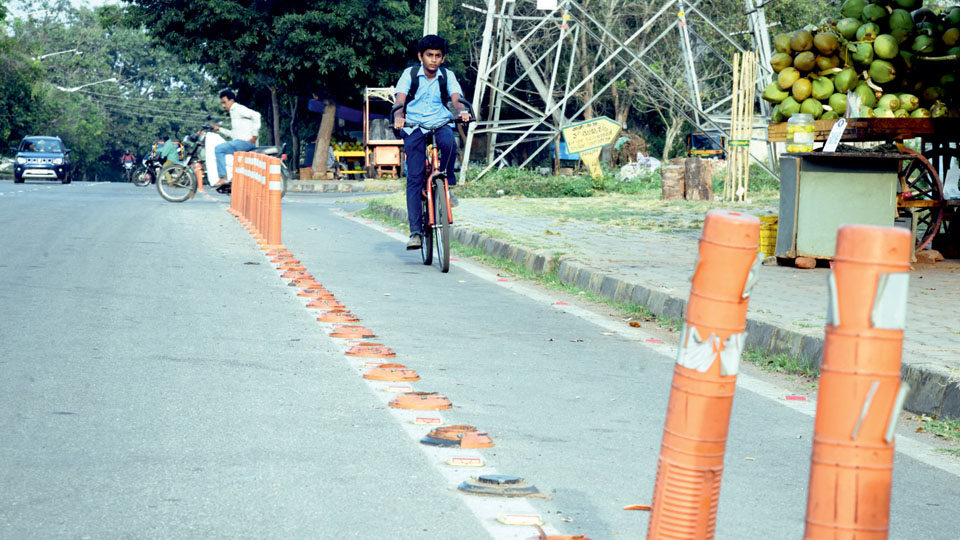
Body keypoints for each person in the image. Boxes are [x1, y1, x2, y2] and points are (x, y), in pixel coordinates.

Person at [393, 34, 471, 250]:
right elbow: (400, 99)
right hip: (414, 125)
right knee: (415, 178)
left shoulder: (448, 75)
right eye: (429, 55)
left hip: (439, 121)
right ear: (421, 56)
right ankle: (415, 232)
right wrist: (399, 116)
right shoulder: (410, 74)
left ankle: (445, 184)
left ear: (443, 58)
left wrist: (462, 111)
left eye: (437, 56)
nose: (433, 60)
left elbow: (456, 99)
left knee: (449, 144)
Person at [211, 89, 261, 188]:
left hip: (245, 142)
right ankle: (233, 180)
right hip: (239, 141)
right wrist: (219, 129)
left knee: (219, 149)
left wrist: (255, 135)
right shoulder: (233, 113)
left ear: (232, 100)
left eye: (224, 102)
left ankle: (223, 177)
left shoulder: (238, 108)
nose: (223, 106)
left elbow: (256, 115)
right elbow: (233, 134)